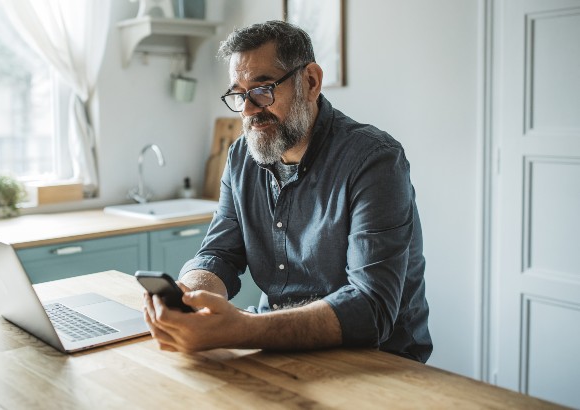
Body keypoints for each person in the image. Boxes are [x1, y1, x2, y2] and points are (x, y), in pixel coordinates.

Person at [142, 20, 432, 363]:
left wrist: (242, 328)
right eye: (238, 94)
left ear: (310, 81)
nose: (248, 110)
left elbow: (371, 308)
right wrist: (188, 294)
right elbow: (220, 254)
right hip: (277, 346)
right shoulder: (240, 157)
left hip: (379, 362)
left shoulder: (374, 160)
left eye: (262, 90)